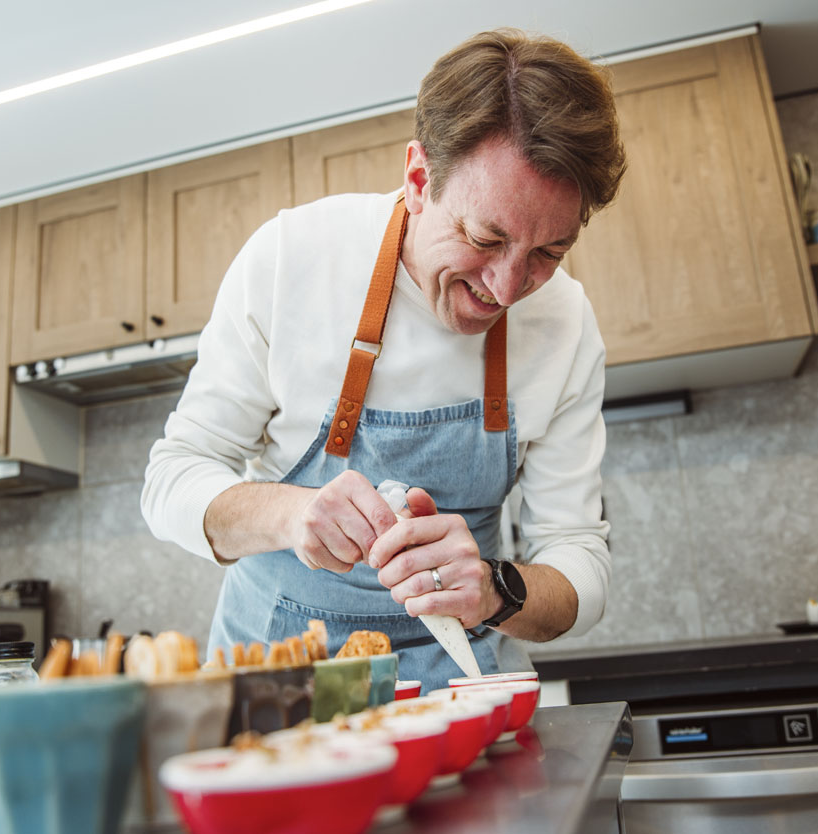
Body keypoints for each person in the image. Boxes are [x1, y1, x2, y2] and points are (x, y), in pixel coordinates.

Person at [142, 28, 626, 692]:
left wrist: (495, 590)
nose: (507, 288)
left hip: (463, 687)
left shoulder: (564, 322)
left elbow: (581, 562)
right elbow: (170, 483)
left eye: (549, 253)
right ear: (420, 179)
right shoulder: (292, 258)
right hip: (279, 682)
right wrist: (292, 514)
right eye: (486, 237)